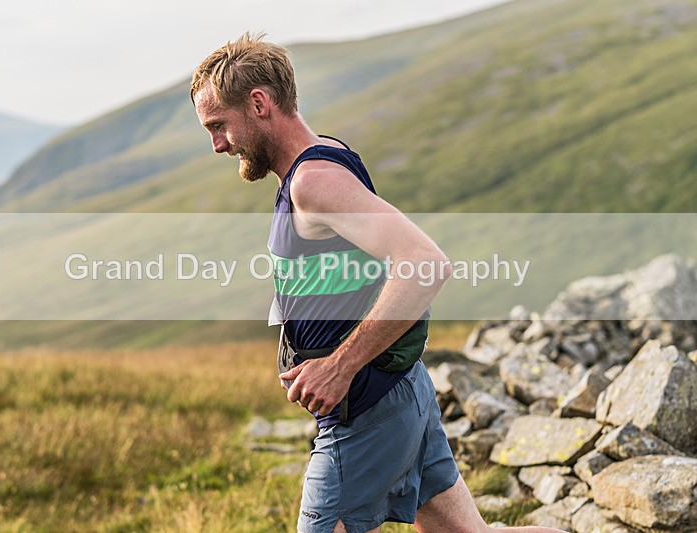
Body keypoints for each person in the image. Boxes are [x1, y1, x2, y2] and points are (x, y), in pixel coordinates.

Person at [191, 33, 565, 533]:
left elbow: (425, 263)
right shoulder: (324, 156)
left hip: (367, 410)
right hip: (399, 389)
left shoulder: (313, 180)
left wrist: (339, 367)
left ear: (259, 103)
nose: (217, 144)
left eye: (219, 125)